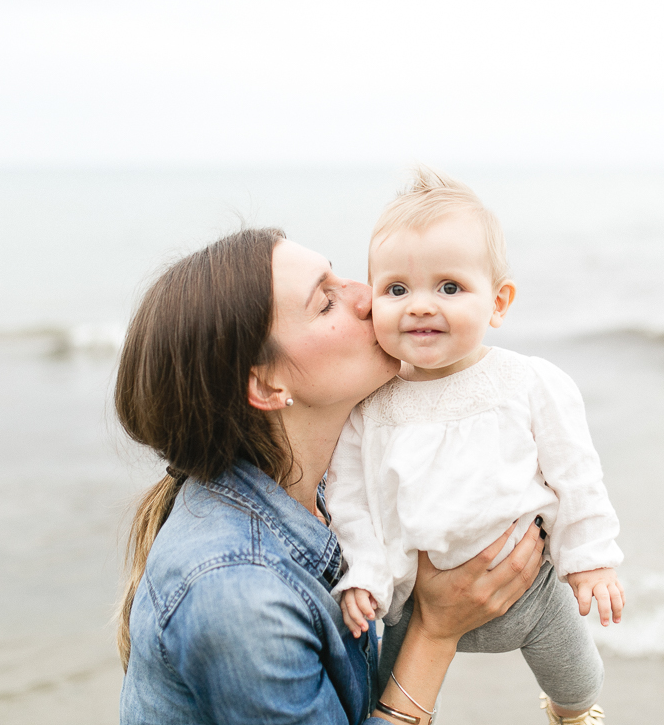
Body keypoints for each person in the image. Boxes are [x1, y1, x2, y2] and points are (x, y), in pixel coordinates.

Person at [115, 227, 545, 724]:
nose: (368, 295)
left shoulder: (321, 485)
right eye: (326, 302)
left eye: (341, 277)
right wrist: (436, 632)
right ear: (267, 384)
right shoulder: (237, 593)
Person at [326, 169, 624, 725]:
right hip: (412, 605)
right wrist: (363, 573)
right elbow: (352, 503)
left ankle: (572, 715)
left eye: (449, 287)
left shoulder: (529, 383)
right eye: (396, 290)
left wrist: (591, 560)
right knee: (382, 697)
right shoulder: (370, 407)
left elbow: (575, 475)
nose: (419, 305)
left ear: (499, 302)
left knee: (581, 681)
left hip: (530, 590)